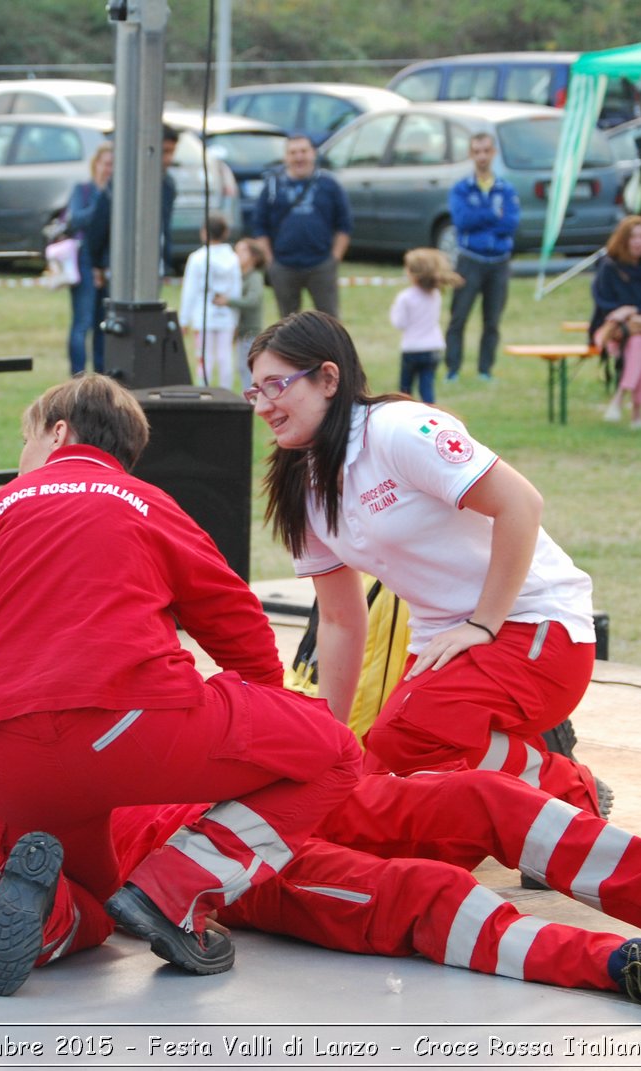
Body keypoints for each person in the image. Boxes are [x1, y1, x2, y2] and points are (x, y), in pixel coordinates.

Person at [0, 375, 362, 996]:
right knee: (337, 751)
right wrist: (264, 708)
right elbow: (235, 619)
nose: (22, 456)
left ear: (58, 433)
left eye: (25, 438)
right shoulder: (147, 502)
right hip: (136, 722)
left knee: (90, 893)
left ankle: (48, 922)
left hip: (11, 755)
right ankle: (176, 890)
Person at [0, 754, 641, 1017]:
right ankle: (634, 963)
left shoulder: (35, 735)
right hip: (228, 858)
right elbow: (54, 903)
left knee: (485, 796)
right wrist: (43, 921)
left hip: (283, 792)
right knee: (424, 895)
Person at [246, 310, 606, 819]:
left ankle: (567, 791)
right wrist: (330, 739)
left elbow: (521, 504)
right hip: (447, 646)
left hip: (536, 625)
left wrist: (483, 624)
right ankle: (527, 801)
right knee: (369, 797)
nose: (263, 405)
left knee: (404, 735)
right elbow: (340, 620)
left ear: (329, 379)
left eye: (276, 385)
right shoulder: (299, 489)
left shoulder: (399, 429)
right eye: (255, 392)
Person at [444, 132, 520, 383]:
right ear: (471, 154)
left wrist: (481, 216)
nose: (482, 157)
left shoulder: (506, 188)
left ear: (494, 153)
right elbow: (462, 221)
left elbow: (510, 223)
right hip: (470, 259)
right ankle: (452, 370)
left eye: (487, 151)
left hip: (498, 262)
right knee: (459, 317)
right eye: (477, 151)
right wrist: (491, 214)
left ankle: (485, 370)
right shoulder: (461, 188)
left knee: (492, 320)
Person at [253, 134, 353, 319]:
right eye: (293, 153)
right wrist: (270, 262)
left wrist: (334, 259)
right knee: (287, 325)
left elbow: (344, 225)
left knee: (329, 322)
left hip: (321, 264)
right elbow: (260, 226)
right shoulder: (272, 186)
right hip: (284, 265)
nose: (299, 157)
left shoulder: (329, 185)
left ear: (313, 154)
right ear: (286, 157)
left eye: (303, 151)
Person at [590, 216, 641, 431]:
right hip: (609, 332)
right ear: (623, 239)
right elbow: (605, 306)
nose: (639, 242)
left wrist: (632, 311)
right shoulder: (609, 265)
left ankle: (619, 397)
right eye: (633, 237)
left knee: (639, 344)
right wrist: (636, 313)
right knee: (640, 349)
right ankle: (636, 413)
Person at [85, 126, 180, 294]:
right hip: (118, 265)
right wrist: (97, 262)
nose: (168, 159)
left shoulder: (167, 185)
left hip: (152, 266)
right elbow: (100, 223)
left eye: (172, 152)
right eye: (165, 151)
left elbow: (164, 226)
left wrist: (165, 261)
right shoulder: (122, 181)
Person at [178, 213, 244, 389]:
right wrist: (236, 317)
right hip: (227, 316)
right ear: (225, 233)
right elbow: (236, 289)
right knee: (225, 357)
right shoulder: (233, 258)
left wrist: (184, 320)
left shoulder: (197, 258)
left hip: (202, 316)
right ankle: (226, 392)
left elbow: (189, 290)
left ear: (204, 232)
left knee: (204, 356)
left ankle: (203, 391)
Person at [65, 142, 113, 376]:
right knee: (82, 322)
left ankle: (101, 376)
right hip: (82, 260)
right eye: (106, 164)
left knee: (102, 323)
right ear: (96, 164)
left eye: (114, 165)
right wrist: (101, 203)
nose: (109, 169)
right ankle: (77, 376)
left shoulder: (116, 195)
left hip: (104, 264)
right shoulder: (83, 190)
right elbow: (75, 220)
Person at [389, 247, 461, 404]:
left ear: (413, 273)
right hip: (434, 347)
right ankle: (432, 415)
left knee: (405, 390)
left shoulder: (405, 297)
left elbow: (399, 323)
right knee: (426, 387)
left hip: (412, 348)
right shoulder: (436, 295)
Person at [230, 237, 270, 392]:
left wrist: (228, 301)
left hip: (251, 333)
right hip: (242, 332)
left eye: (242, 251)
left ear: (254, 257)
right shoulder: (239, 277)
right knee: (241, 366)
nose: (237, 254)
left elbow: (252, 300)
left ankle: (250, 397)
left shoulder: (255, 277)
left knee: (247, 368)